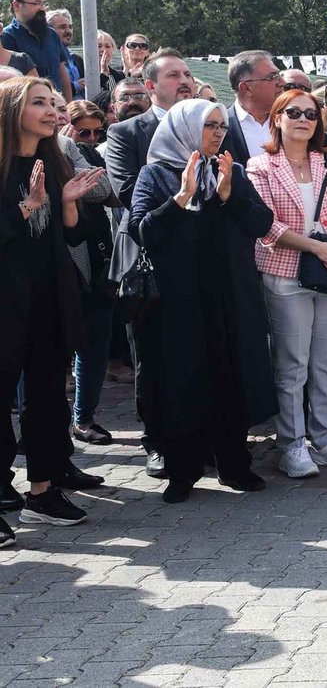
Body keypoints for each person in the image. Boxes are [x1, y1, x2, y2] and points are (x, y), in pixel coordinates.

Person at [130, 98, 276, 503]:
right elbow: (143, 231)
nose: (218, 133)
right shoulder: (156, 174)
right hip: (179, 302)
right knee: (183, 381)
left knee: (231, 376)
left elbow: (263, 225)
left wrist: (230, 195)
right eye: (209, 125)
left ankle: (234, 464)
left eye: (222, 126)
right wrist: (180, 198)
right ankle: (183, 470)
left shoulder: (234, 171)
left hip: (229, 297)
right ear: (184, 128)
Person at [0, 78, 104, 542]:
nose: (51, 111)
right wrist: (26, 208)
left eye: (53, 103)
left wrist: (65, 206)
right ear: (11, 110)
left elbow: (73, 239)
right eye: (39, 103)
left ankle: (42, 491)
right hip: (6, 301)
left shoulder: (54, 161)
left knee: (45, 399)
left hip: (48, 300)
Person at [247, 89, 327, 479]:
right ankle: (292, 444)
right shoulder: (260, 166)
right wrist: (315, 246)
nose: (303, 120)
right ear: (278, 117)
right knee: (292, 364)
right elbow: (266, 223)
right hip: (285, 271)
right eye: (294, 112)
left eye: (311, 115)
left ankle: (326, 436)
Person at [102, 48, 196, 479]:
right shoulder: (127, 132)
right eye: (174, 75)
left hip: (200, 263)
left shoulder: (210, 123)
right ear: (151, 84)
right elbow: (124, 190)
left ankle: (199, 437)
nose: (184, 80)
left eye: (188, 74)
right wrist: (183, 192)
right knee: (152, 358)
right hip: (148, 262)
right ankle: (156, 442)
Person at [61, 100, 118, 447]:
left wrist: (78, 155)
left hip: (98, 261)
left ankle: (84, 418)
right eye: (83, 132)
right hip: (61, 265)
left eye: (98, 132)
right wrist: (68, 154)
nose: (91, 139)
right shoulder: (62, 152)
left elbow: (106, 192)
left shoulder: (91, 155)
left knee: (95, 344)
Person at [3, 0, 73, 94]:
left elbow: (62, 74)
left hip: (57, 104)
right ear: (17, 5)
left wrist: (68, 106)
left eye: (43, 4)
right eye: (36, 4)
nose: (42, 9)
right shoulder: (7, 37)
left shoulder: (52, 35)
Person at [227, 50, 284, 160]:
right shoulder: (221, 127)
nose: (282, 82)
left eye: (279, 75)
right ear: (246, 88)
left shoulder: (291, 120)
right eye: (272, 77)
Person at [46, 10, 85, 97]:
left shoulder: (76, 58)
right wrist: (76, 86)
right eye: (62, 27)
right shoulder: (45, 59)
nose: (68, 31)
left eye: (70, 27)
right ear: (49, 31)